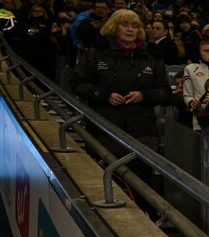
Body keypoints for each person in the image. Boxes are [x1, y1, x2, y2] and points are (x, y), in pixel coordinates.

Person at [68, 9, 170, 150]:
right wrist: (105, 96)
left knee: (139, 172)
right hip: (104, 128)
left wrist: (144, 96)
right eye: (124, 25)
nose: (130, 29)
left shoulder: (152, 55)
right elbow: (77, 83)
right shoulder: (97, 53)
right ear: (114, 27)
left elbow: (165, 92)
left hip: (142, 131)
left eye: (134, 26)